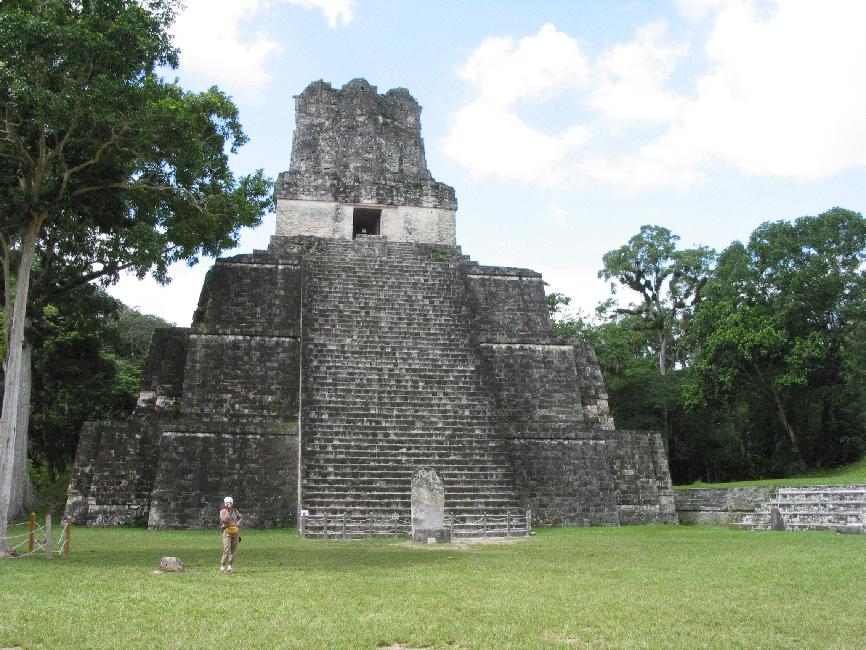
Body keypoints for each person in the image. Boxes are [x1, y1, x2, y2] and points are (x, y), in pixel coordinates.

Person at [219, 496, 242, 573]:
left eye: (229, 503)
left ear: (232, 503)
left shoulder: (235, 511)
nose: (227, 504)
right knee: (227, 549)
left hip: (235, 532)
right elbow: (224, 520)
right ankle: (222, 566)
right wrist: (227, 512)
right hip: (227, 532)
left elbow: (240, 517)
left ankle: (230, 566)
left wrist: (238, 523)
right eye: (226, 503)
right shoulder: (222, 511)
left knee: (233, 550)